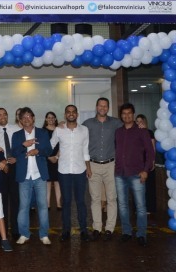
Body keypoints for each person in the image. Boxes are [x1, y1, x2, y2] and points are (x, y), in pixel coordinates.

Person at [82, 97, 123, 241]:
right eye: (100, 105)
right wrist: (62, 125)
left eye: (105, 106)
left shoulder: (116, 123)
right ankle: (97, 228)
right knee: (95, 199)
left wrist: (140, 125)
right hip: (93, 165)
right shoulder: (87, 124)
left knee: (112, 198)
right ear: (96, 107)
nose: (103, 108)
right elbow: (77, 135)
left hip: (111, 165)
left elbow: (129, 129)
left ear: (108, 108)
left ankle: (109, 228)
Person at [115, 103, 155, 247]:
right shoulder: (118, 132)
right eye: (124, 113)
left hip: (137, 174)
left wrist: (146, 170)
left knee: (140, 206)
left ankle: (141, 234)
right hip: (120, 174)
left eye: (129, 113)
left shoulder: (142, 131)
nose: (127, 116)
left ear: (133, 114)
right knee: (123, 205)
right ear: (121, 116)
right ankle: (126, 232)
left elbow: (150, 152)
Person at [11, 107, 52, 245]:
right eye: (23, 117)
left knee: (43, 206)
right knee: (23, 206)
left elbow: (48, 150)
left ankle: (44, 234)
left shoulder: (42, 133)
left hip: (39, 175)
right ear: (20, 120)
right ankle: (24, 234)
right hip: (24, 176)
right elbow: (14, 152)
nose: (26, 119)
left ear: (33, 118)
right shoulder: (16, 135)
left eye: (29, 116)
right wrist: (24, 145)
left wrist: (38, 151)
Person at [51, 105, 91, 242]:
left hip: (80, 170)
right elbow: (51, 145)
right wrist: (53, 156)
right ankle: (66, 231)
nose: (71, 114)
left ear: (77, 114)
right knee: (66, 202)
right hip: (64, 171)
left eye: (73, 112)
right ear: (65, 115)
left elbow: (85, 150)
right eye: (68, 112)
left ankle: (84, 230)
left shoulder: (84, 130)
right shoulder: (59, 130)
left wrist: (88, 168)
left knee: (81, 201)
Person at [0, 107, 21, 240]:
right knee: (2, 200)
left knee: (15, 200)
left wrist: (17, 158)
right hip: (1, 169)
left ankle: (15, 229)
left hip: (15, 167)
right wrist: (1, 161)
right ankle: (3, 229)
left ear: (7, 115)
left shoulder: (16, 129)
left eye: (4, 114)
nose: (2, 117)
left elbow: (22, 148)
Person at [136, 114, 158, 214]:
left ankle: (150, 208)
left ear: (144, 122)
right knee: (138, 186)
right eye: (137, 121)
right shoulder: (134, 133)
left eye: (141, 121)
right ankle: (139, 208)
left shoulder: (149, 132)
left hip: (147, 162)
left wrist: (152, 161)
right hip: (138, 162)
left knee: (149, 186)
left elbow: (153, 148)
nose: (139, 123)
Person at [43, 111, 62, 211]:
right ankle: (48, 204)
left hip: (59, 158)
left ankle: (59, 204)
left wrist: (56, 157)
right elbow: (42, 146)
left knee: (58, 181)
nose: (51, 119)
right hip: (46, 159)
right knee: (48, 182)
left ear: (55, 119)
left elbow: (63, 144)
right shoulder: (42, 131)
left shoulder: (60, 130)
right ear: (46, 119)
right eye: (49, 117)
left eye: (52, 117)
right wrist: (49, 157)